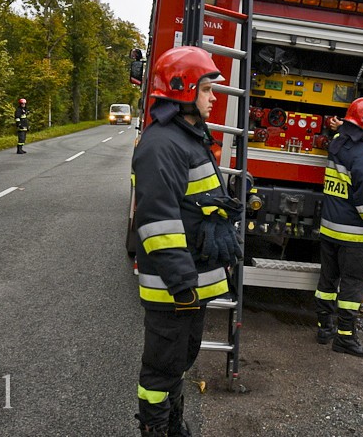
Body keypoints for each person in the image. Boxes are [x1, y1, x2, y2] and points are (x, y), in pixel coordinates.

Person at [132, 46, 243, 436]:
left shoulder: (186, 137)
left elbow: (193, 204)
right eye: (208, 89)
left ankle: (173, 426)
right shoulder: (162, 145)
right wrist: (182, 285)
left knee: (179, 362)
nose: (214, 98)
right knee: (160, 371)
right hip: (175, 289)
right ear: (183, 89)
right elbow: (157, 222)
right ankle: (156, 429)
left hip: (189, 284)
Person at [315, 97, 363, 357]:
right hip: (353, 236)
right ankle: (345, 337)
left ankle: (324, 328)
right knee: (351, 286)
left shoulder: (338, 144)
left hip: (329, 230)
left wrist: (340, 127)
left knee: (327, 280)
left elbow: (343, 136)